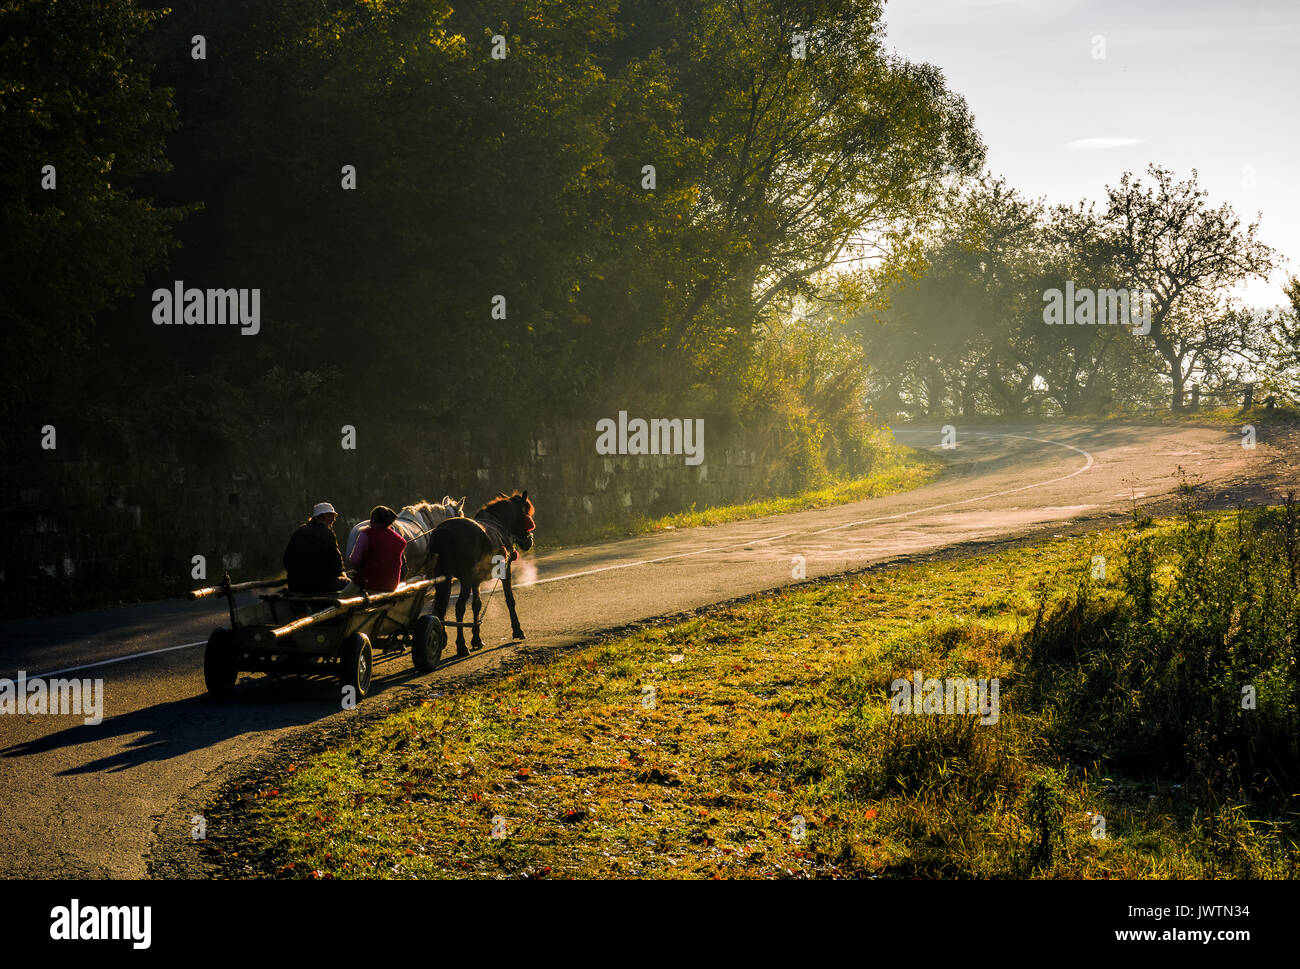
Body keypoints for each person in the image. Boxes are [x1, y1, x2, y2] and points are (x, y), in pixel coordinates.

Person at [283, 501, 349, 595]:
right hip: (319, 586)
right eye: (330, 515)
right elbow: (337, 564)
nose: (334, 519)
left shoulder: (299, 531)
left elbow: (287, 560)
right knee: (350, 585)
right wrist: (340, 574)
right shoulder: (327, 534)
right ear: (321, 516)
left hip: (296, 586)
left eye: (334, 516)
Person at [349, 505, 407, 592]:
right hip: (391, 586)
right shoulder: (400, 540)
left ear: (373, 520)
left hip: (368, 584)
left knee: (343, 596)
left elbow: (355, 559)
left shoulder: (366, 534)